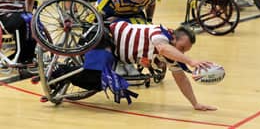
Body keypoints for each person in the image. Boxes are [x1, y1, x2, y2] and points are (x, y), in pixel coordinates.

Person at [61, 20, 217, 111]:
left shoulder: (169, 56)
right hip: (103, 35)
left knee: (98, 82)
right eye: (182, 48)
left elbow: (181, 78)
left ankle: (61, 76)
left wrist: (195, 103)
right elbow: (163, 48)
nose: (181, 52)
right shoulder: (160, 33)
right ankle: (59, 72)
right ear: (174, 37)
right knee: (95, 74)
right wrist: (190, 61)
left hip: (112, 52)